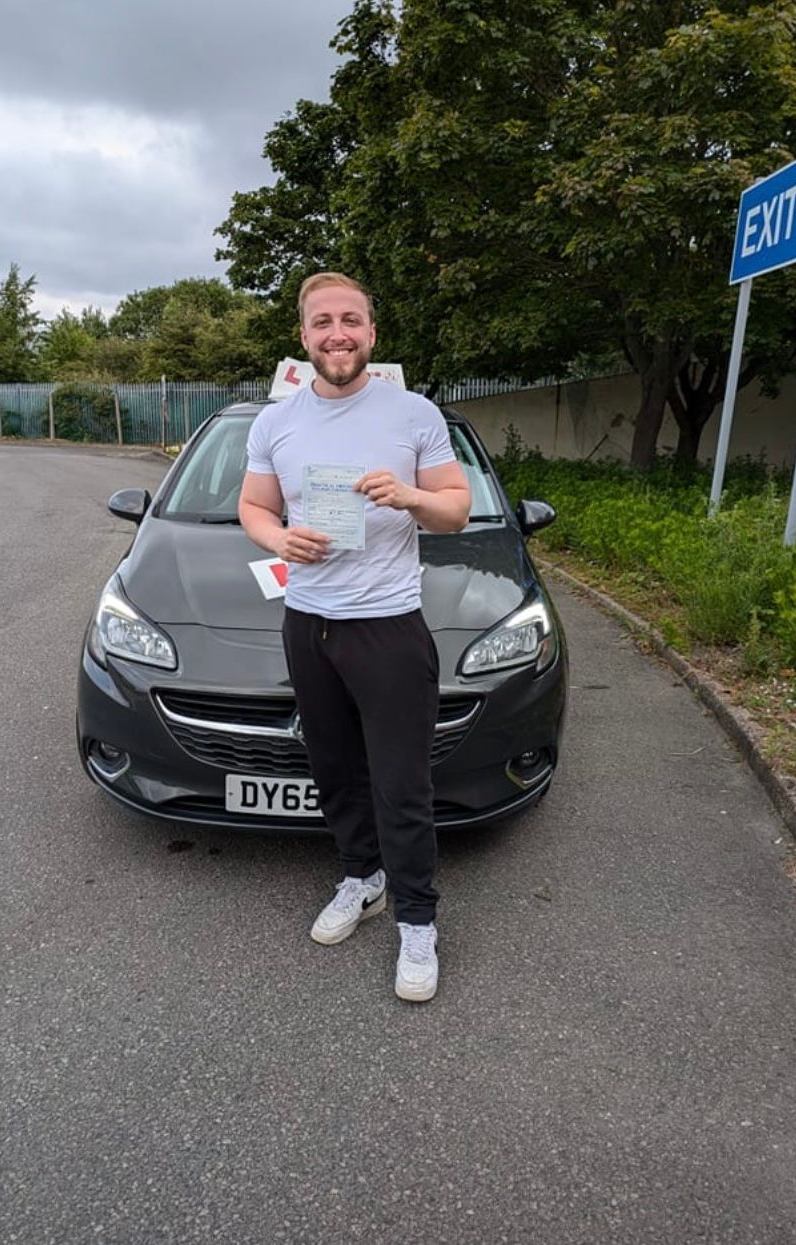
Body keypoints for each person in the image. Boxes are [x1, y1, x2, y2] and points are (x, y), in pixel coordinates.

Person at [238, 272, 471, 1002]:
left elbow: (456, 509)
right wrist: (280, 539)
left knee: (401, 782)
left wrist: (409, 495)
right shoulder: (275, 422)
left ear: (371, 332)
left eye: (350, 320)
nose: (337, 334)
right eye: (322, 322)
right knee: (335, 769)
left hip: (388, 626)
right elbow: (253, 506)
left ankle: (417, 919)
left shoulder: (413, 413)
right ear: (303, 336)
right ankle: (362, 879)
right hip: (308, 622)